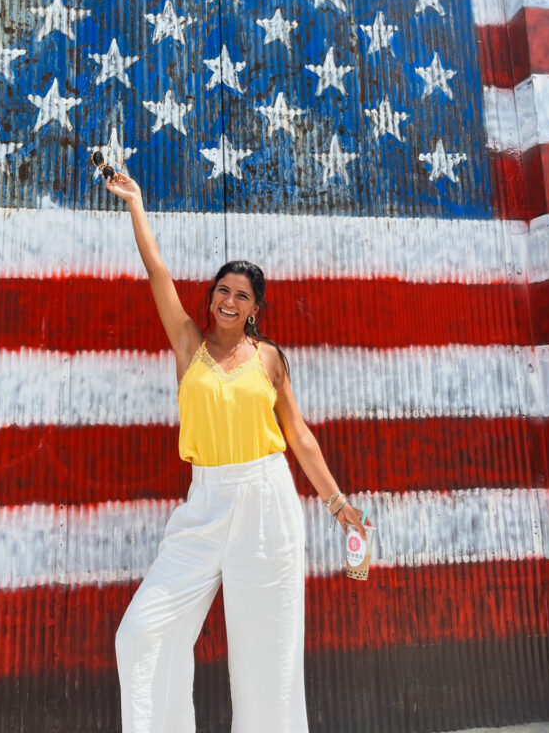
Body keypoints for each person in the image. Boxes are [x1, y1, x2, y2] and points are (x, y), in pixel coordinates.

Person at [105, 171, 368, 733]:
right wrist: (137, 202)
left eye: (241, 295)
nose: (228, 300)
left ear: (254, 309)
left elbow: (298, 434)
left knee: (267, 659)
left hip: (267, 502)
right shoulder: (189, 346)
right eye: (222, 290)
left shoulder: (269, 358)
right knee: (142, 633)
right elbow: (157, 272)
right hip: (204, 504)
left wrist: (337, 502)